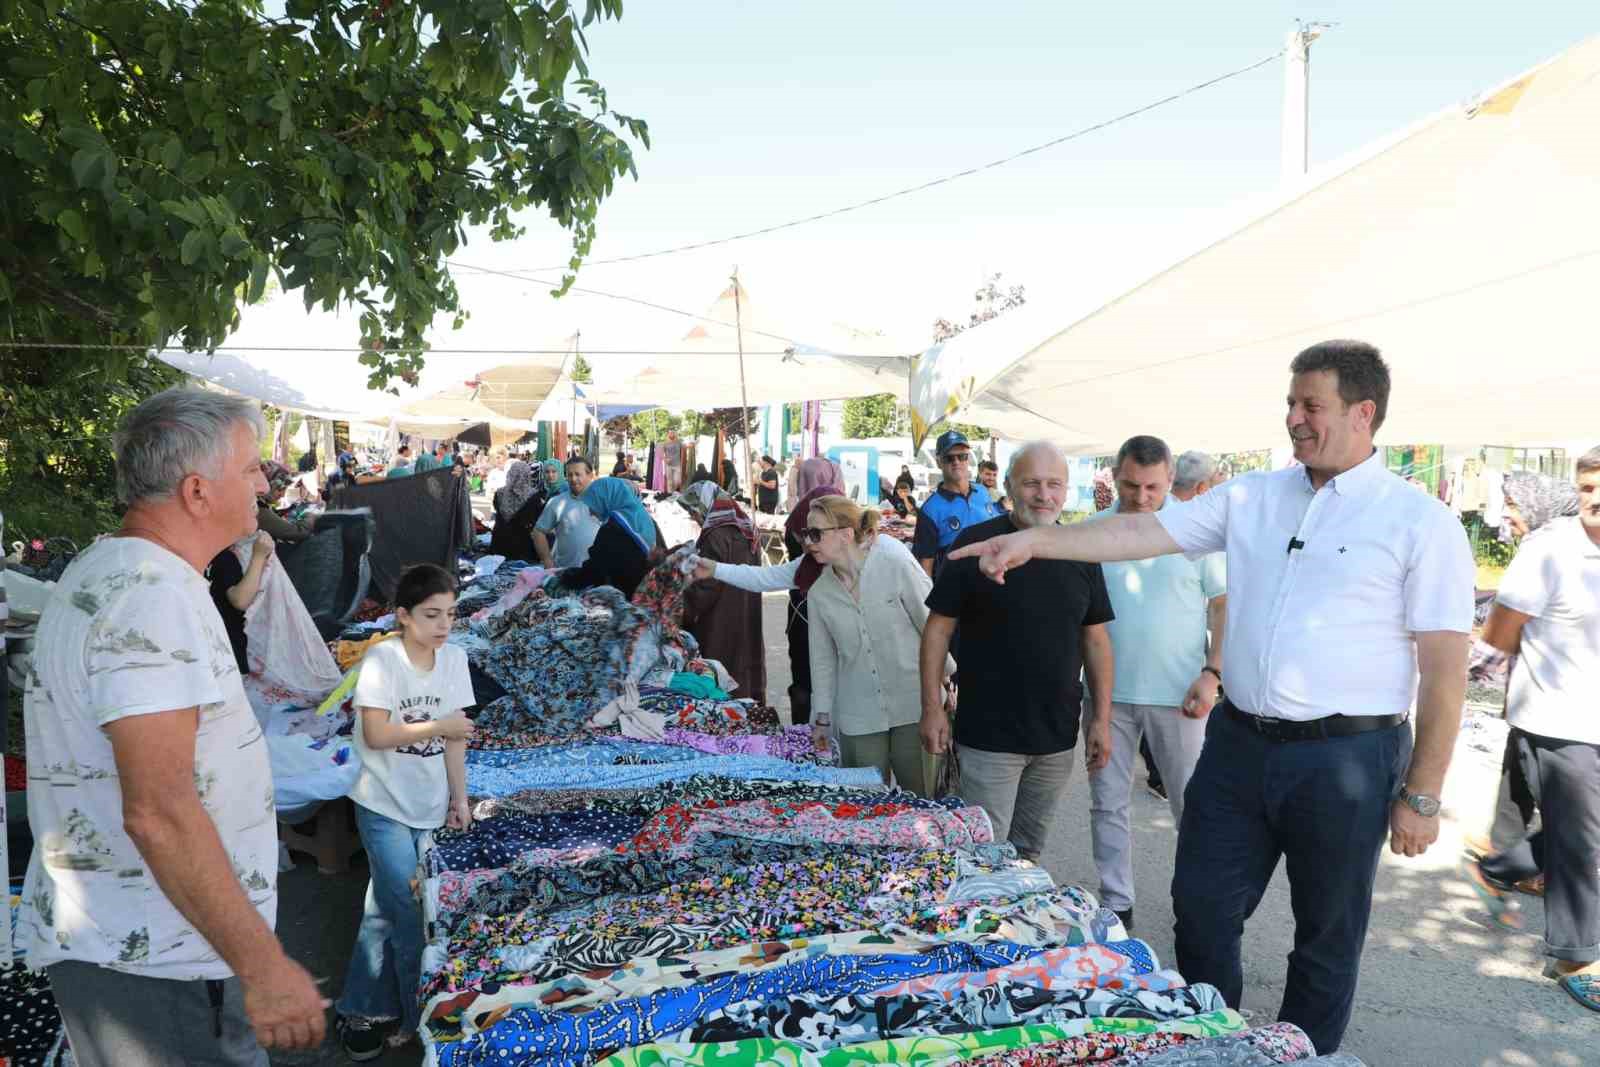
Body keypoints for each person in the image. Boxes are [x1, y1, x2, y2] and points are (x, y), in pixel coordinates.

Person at [947, 341, 1474, 1054]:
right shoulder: (1252, 496)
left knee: (1326, 934)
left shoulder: (1419, 521)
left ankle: (1299, 1052)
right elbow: (1139, 530)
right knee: (1198, 907)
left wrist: (1423, 793)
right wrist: (1037, 541)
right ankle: (1211, 1040)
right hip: (1239, 745)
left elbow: (1445, 668)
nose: (1293, 418)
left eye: (1310, 405)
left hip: (1348, 757)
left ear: (1363, 412)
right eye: (1290, 403)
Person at [19, 388, 326, 1064]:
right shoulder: (148, 597)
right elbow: (158, 811)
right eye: (251, 468)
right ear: (196, 490)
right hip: (160, 965)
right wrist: (264, 965)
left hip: (156, 952)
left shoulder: (136, 572)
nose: (265, 481)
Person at [920, 441, 1114, 860]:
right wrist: (932, 708)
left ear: (1066, 491)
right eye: (1031, 483)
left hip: (1056, 738)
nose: (1043, 494)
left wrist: (1100, 719)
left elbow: (1095, 639)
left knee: (1028, 852)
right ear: (1008, 485)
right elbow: (936, 630)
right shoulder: (975, 545)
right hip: (988, 738)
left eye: (1054, 484)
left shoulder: (1080, 550)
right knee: (981, 854)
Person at [1466, 449, 1600, 1012]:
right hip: (1559, 716)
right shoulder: (1551, 548)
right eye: (1588, 488)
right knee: (1583, 840)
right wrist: (1550, 669)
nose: (1596, 500)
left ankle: (1498, 868)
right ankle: (1576, 956)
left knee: (1582, 833)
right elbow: (1499, 629)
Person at [1085, 435, 1227, 932]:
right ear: (1114, 478)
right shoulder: (1092, 533)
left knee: (1192, 806)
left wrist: (1213, 672)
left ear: (1170, 481)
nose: (1140, 498)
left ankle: (1196, 902)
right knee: (1107, 802)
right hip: (1107, 697)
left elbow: (1223, 603)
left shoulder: (1196, 533)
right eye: (1129, 485)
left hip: (1179, 696)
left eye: (1151, 487)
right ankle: (1116, 903)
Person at [335, 564, 475, 1058]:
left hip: (429, 804)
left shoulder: (454, 659)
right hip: (381, 802)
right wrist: (438, 725)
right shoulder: (382, 662)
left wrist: (459, 799)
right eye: (431, 614)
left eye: (451, 615)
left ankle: (361, 1007)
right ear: (403, 616)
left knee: (385, 908)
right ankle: (418, 1019)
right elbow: (376, 733)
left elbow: (456, 739)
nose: (443, 625)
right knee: (412, 909)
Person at [1464, 471, 1581, 874]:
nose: (1506, 516)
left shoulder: (1548, 548)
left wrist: (1467, 668)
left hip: (1561, 702)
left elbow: (1504, 630)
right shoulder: (1567, 541)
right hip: (1543, 698)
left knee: (1569, 804)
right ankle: (1506, 849)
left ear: (1537, 505)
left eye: (1513, 506)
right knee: (1519, 764)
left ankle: (1510, 866)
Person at [803, 495, 944, 793]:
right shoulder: (818, 595)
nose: (808, 542)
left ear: (846, 533)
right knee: (866, 808)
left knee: (924, 801)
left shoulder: (893, 563)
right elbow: (822, 661)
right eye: (806, 534)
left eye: (816, 533)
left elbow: (930, 624)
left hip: (914, 706)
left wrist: (946, 680)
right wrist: (822, 718)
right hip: (859, 717)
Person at [680, 482, 767, 703]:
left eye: (694, 510)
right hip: (745, 609)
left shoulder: (715, 534)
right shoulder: (745, 526)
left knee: (722, 666)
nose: (694, 517)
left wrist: (682, 610)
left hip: (720, 617)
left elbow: (706, 586)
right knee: (744, 662)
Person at [912, 429, 1000, 579]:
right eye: (949, 458)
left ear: (968, 459)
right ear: (939, 461)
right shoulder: (930, 510)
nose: (956, 462)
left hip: (992, 583)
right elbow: (925, 566)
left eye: (962, 456)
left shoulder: (982, 492)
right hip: (957, 594)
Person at [563, 476, 665, 598]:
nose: (591, 512)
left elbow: (595, 570)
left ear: (605, 500)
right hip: (650, 593)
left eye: (593, 504)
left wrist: (565, 578)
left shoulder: (612, 529)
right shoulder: (646, 519)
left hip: (627, 597)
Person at [208, 531, 276, 676]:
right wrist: (259, 556)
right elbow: (240, 600)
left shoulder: (192, 556)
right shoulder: (223, 558)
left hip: (209, 648)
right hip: (227, 649)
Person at [532, 457, 600, 571]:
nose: (573, 479)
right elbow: (538, 532)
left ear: (590, 476)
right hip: (564, 572)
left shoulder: (603, 501)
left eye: (578, 474)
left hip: (597, 573)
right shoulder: (557, 502)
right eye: (569, 475)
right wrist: (547, 561)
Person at [487, 459, 544, 562]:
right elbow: (535, 520)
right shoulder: (534, 495)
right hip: (522, 548)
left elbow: (496, 510)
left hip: (499, 544)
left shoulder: (499, 493)